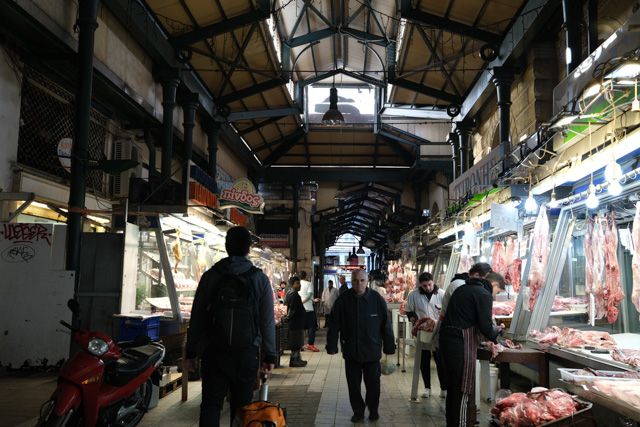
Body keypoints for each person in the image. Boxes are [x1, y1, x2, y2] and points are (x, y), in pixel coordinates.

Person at [185, 226, 276, 427]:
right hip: (247, 353)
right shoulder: (259, 279)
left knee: (210, 406)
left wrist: (191, 351)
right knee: (242, 409)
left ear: (226, 247)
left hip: (214, 352)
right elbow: (267, 321)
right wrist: (270, 355)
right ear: (248, 249)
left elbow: (197, 316)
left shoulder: (210, 276)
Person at [326, 269, 396, 423]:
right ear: (351, 282)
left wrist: (389, 346)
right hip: (351, 351)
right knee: (353, 385)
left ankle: (373, 410)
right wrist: (331, 345)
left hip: (372, 351)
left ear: (367, 281)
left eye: (362, 280)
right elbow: (334, 323)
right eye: (355, 281)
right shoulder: (343, 300)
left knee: (373, 385)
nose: (359, 284)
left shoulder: (377, 299)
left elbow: (386, 325)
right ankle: (358, 412)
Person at [439, 269, 505, 427]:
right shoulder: (483, 294)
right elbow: (486, 327)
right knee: (463, 390)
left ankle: (451, 424)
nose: (494, 296)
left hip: (446, 342)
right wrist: (497, 333)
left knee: (453, 389)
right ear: (495, 284)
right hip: (460, 344)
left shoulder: (463, 288)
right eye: (497, 292)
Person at [405, 272, 445, 399]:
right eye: (424, 285)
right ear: (420, 285)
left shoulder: (442, 294)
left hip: (438, 332)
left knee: (440, 360)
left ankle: (443, 388)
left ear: (433, 281)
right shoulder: (414, 295)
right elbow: (409, 310)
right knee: (424, 359)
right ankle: (427, 388)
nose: (428, 288)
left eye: (429, 284)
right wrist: (414, 321)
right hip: (422, 331)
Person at [284, 276, 307, 367]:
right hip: (295, 323)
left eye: (299, 283)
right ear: (292, 285)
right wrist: (288, 317)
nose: (299, 285)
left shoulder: (291, 293)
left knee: (297, 342)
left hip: (297, 323)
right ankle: (294, 360)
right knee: (296, 342)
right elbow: (292, 309)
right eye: (297, 283)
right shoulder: (294, 295)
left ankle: (297, 359)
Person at [298, 270, 319, 352]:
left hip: (299, 310)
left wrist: (299, 304)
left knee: (300, 328)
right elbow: (309, 295)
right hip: (308, 309)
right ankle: (310, 344)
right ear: (306, 276)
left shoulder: (296, 284)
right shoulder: (308, 284)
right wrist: (302, 303)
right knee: (312, 326)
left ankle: (299, 345)